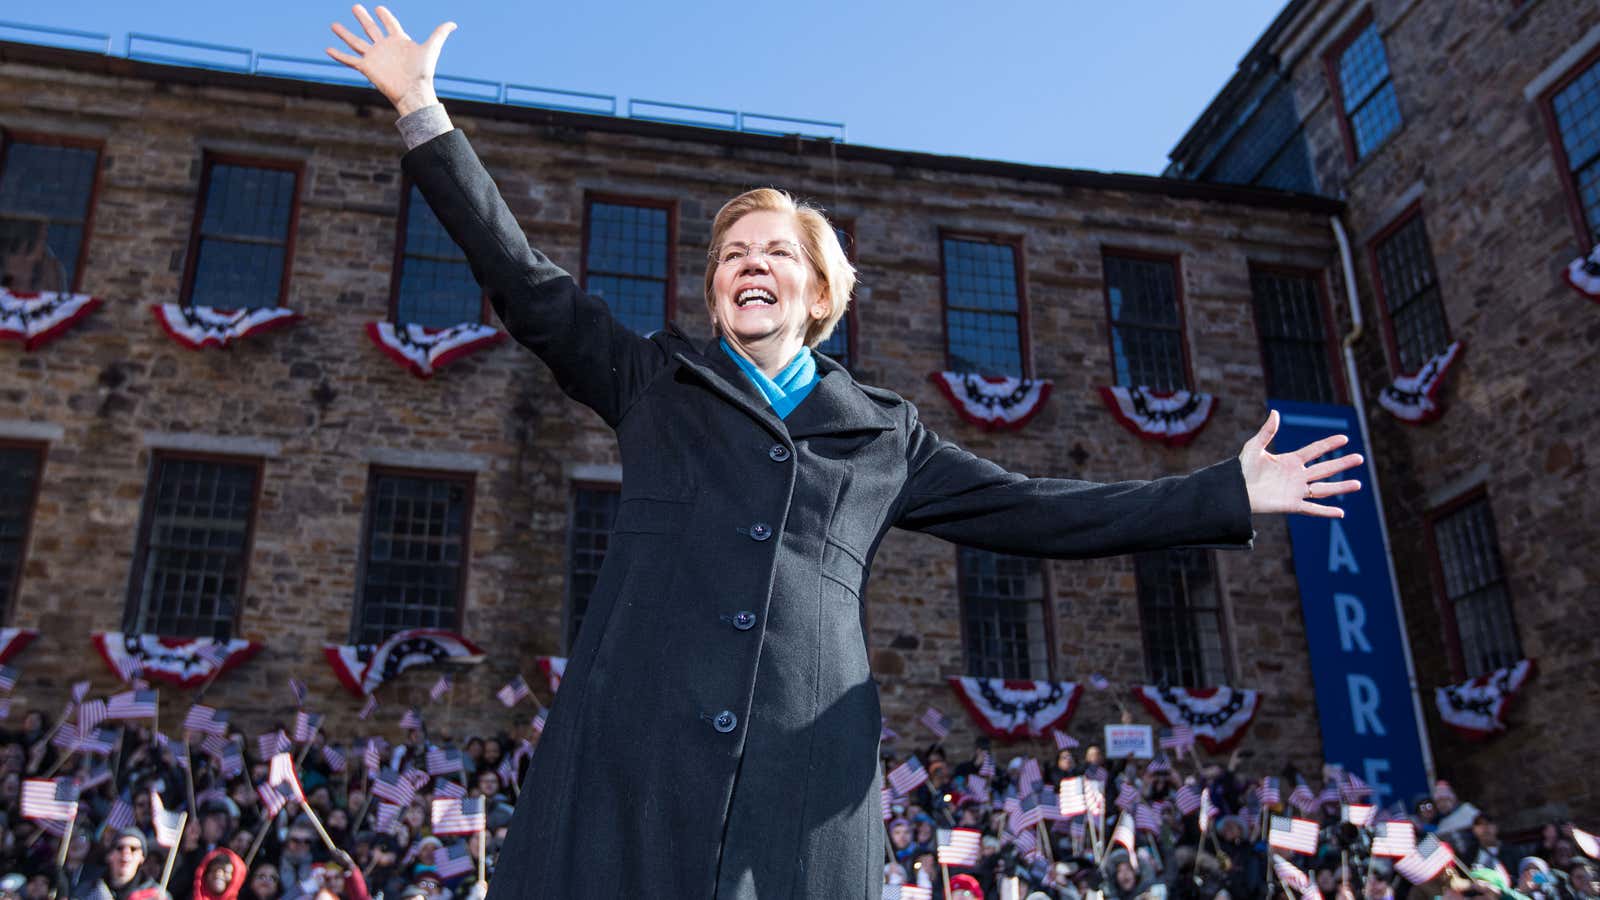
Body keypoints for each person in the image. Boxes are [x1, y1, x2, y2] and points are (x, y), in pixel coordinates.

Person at [324, 6, 1366, 896]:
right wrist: (424, 112)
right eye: (732, 254)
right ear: (714, 292)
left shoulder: (884, 437)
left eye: (776, 252)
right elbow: (524, 277)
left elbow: (1049, 511)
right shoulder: (654, 384)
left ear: (818, 295)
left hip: (799, 778)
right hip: (636, 756)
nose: (750, 264)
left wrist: (1224, 488)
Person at [70, 829, 171, 900]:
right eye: (120, 847)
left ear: (142, 858)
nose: (126, 852)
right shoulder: (87, 890)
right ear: (109, 856)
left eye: (133, 849)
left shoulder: (155, 895)